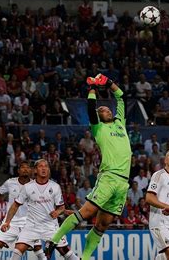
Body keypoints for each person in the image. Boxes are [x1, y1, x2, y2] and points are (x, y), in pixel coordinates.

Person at [45, 74, 132, 260]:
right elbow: (91, 109)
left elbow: (121, 97)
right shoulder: (98, 128)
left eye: (108, 108)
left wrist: (108, 82)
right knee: (86, 213)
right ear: (99, 116)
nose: (106, 109)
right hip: (109, 176)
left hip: (123, 183)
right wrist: (92, 88)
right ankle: (53, 241)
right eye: (102, 109)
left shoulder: (120, 122)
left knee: (103, 225)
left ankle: (84, 258)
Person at [0, 159, 78, 260]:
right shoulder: (27, 187)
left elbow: (61, 207)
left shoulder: (55, 187)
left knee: (66, 253)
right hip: (31, 226)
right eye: (41, 166)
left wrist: (57, 212)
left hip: (50, 226)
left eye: (46, 166)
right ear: (35, 170)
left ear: (49, 170)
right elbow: (15, 205)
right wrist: (7, 222)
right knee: (17, 250)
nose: (44, 168)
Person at [145, 149, 169, 260]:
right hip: (159, 221)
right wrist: (167, 206)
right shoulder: (159, 175)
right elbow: (149, 198)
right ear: (165, 160)